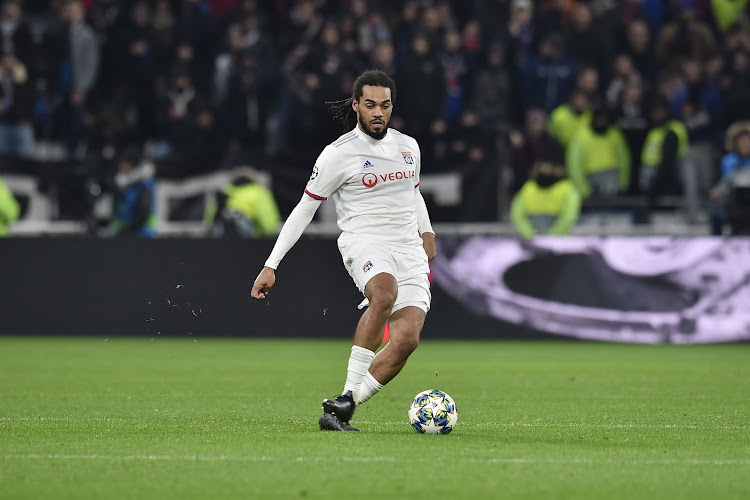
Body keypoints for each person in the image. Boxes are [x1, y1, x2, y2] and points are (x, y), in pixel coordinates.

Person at [250, 70, 436, 432]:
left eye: (384, 105)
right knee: (383, 294)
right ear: (356, 106)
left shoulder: (408, 146)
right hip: (365, 242)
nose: (378, 112)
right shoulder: (339, 154)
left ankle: (344, 406)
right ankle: (349, 389)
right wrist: (271, 264)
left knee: (407, 340)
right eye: (370, 105)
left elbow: (413, 193)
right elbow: (305, 208)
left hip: (408, 248)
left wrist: (426, 232)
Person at [510, 145, 581, 238]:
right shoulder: (528, 187)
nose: (546, 169)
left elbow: (569, 217)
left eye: (549, 166)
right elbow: (517, 215)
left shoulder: (567, 188)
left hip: (559, 243)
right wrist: (530, 235)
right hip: (536, 241)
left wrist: (553, 235)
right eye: (542, 165)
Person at [205, 168, 281, 238]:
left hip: (220, 239)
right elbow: (269, 226)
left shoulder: (223, 192)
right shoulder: (259, 192)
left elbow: (209, 221)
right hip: (248, 241)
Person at [710, 121, 750, 235]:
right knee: (716, 212)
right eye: (742, 141)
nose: (745, 144)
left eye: (747, 140)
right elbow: (721, 182)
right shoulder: (727, 160)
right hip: (733, 201)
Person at [108, 148, 157, 238]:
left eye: (123, 163)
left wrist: (127, 230)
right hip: (125, 236)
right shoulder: (124, 186)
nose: (120, 166)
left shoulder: (144, 185)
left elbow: (143, 212)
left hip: (143, 236)